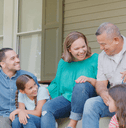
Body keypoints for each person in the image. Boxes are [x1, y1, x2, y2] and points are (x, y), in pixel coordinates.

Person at [41, 31, 98, 128]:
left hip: (87, 98)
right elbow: (56, 83)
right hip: (68, 99)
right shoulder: (63, 63)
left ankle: (72, 125)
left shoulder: (96, 58)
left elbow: (103, 83)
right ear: (69, 50)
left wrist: (88, 79)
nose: (81, 51)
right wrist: (44, 91)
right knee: (47, 108)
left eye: (83, 47)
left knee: (81, 85)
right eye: (77, 49)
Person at [82, 22, 126, 128]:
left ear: (116, 40)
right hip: (114, 100)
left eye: (104, 44)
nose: (101, 48)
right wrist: (103, 92)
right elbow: (101, 82)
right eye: (99, 44)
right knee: (91, 104)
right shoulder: (102, 57)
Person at [0, 48, 39, 128]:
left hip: (25, 114)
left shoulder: (29, 77)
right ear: (2, 64)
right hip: (3, 116)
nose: (17, 60)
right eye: (12, 58)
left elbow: (39, 100)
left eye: (17, 57)